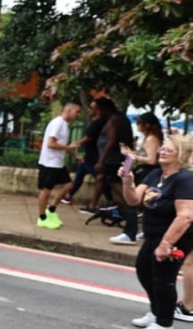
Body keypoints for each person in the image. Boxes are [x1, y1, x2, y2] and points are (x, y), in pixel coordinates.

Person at [122, 136, 193, 329]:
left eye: (169, 150)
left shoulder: (185, 180)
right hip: (154, 235)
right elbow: (134, 199)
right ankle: (156, 311)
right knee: (144, 270)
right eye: (162, 148)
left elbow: (186, 215)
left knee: (164, 278)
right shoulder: (155, 175)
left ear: (180, 156)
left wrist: (166, 244)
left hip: (175, 237)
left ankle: (164, 325)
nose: (162, 151)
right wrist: (128, 182)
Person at [112, 112, 163, 244]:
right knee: (147, 204)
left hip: (147, 172)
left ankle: (130, 233)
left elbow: (151, 160)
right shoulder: (148, 138)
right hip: (145, 171)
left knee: (132, 201)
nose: (137, 125)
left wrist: (130, 154)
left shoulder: (152, 139)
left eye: (139, 123)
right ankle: (147, 232)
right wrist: (131, 152)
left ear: (146, 125)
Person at [94, 98, 138, 244]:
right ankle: (130, 204)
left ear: (104, 109)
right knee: (118, 181)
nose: (96, 113)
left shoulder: (114, 120)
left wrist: (101, 160)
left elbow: (111, 140)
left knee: (115, 182)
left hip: (113, 159)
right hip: (123, 157)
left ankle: (132, 204)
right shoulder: (122, 118)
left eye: (98, 109)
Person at [35, 102, 82, 229]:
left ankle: (51, 209)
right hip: (49, 162)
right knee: (46, 190)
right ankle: (42, 218)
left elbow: (62, 144)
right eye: (77, 112)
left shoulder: (64, 124)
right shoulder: (58, 123)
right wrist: (69, 147)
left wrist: (74, 155)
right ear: (69, 110)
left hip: (58, 163)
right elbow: (51, 144)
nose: (78, 115)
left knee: (68, 185)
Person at [69, 101, 111, 213]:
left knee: (100, 179)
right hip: (90, 155)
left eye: (91, 108)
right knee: (80, 172)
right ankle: (69, 195)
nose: (89, 110)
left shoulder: (98, 123)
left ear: (97, 109)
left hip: (94, 156)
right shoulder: (101, 122)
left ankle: (111, 201)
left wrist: (75, 144)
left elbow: (88, 137)